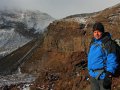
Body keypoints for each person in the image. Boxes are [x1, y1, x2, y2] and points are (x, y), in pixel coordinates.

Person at [87, 22, 118, 90]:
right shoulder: (93, 42)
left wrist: (109, 75)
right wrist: (89, 71)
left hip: (103, 76)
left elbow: (112, 60)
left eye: (98, 32)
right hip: (93, 76)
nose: (96, 34)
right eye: (95, 32)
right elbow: (90, 57)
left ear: (102, 32)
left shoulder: (108, 43)